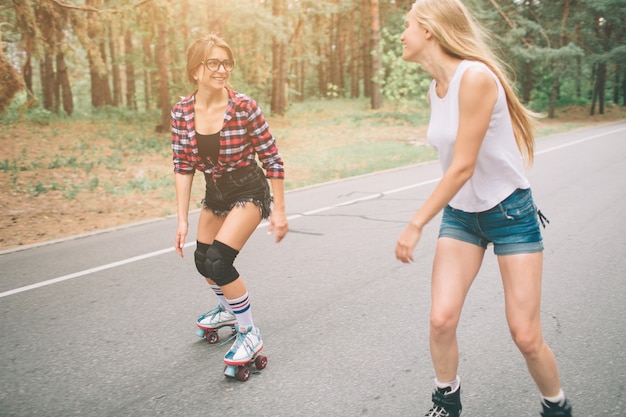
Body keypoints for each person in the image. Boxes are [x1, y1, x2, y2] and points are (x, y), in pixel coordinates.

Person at [396, 1, 572, 416]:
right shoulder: (434, 88)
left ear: (429, 31)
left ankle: (557, 406)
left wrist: (415, 222)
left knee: (525, 335)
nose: (401, 35)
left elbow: (462, 166)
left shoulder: (475, 78)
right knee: (441, 319)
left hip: (509, 212)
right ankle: (447, 401)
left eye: (406, 26)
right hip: (462, 215)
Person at [171, 34, 288, 371]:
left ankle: (249, 331)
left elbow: (273, 161)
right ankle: (228, 308)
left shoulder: (243, 106)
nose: (222, 69)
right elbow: (182, 166)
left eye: (226, 63)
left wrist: (279, 211)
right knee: (202, 260)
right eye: (213, 62)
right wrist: (181, 219)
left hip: (248, 188)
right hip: (215, 192)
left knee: (220, 262)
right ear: (196, 70)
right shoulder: (181, 112)